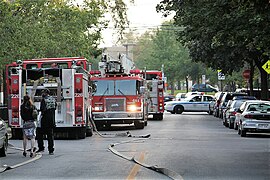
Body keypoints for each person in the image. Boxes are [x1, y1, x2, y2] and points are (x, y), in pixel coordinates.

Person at [36, 89, 57, 155]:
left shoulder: (44, 100)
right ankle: (51, 150)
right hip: (51, 120)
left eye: (43, 93)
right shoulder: (53, 99)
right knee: (50, 136)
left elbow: (43, 109)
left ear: (45, 93)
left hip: (44, 120)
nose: (42, 94)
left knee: (39, 133)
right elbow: (55, 107)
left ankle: (41, 147)